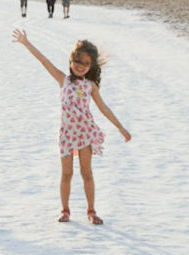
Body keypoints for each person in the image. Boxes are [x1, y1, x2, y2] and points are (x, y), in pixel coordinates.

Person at [11, 30, 131, 224]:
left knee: (86, 173)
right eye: (77, 61)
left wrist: (120, 127)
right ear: (71, 61)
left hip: (85, 133)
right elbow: (44, 61)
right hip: (67, 134)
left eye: (86, 63)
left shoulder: (90, 85)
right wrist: (26, 43)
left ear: (91, 66)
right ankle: (65, 210)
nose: (81, 66)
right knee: (66, 174)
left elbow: (104, 108)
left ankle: (91, 211)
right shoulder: (63, 80)